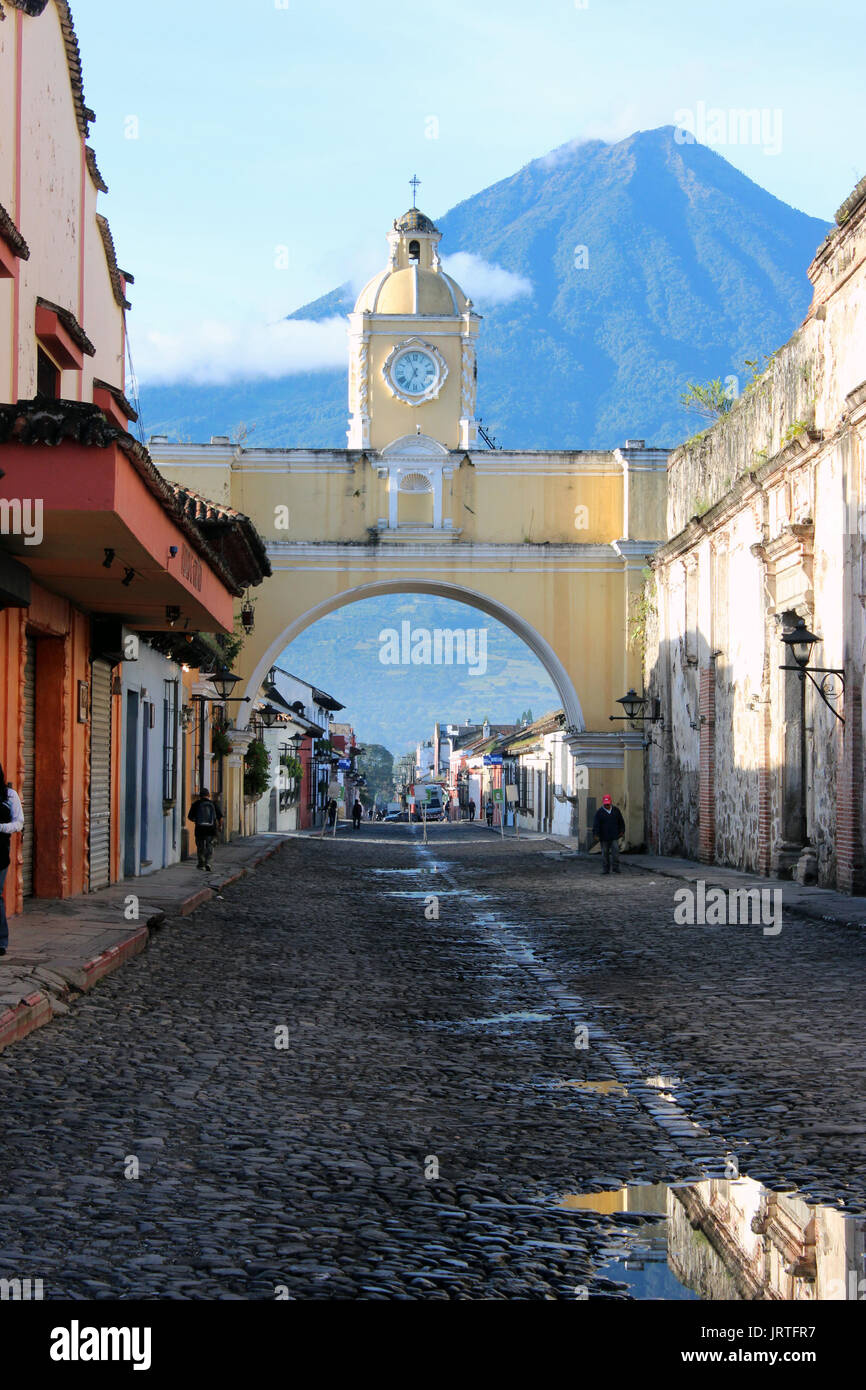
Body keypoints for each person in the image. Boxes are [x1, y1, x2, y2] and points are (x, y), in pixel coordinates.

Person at [0, 762, 24, 957]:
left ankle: (1, 941)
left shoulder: (9, 796)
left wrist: (0, 828)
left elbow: (18, 823)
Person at [187, 787, 224, 872]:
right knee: (210, 846)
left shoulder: (196, 804)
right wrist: (220, 826)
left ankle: (201, 864)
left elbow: (190, 817)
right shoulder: (213, 804)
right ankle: (208, 862)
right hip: (211, 829)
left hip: (199, 829)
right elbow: (220, 817)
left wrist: (196, 820)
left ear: (200, 796)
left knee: (200, 847)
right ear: (208, 795)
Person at [592, 794, 626, 875]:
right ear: (603, 803)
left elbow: (621, 822)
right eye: (605, 804)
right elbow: (596, 824)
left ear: (610, 802)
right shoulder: (599, 812)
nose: (607, 805)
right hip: (604, 837)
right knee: (605, 853)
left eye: (608, 804)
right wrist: (596, 834)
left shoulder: (616, 810)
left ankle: (616, 868)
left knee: (616, 852)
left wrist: (622, 831)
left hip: (614, 836)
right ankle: (606, 869)